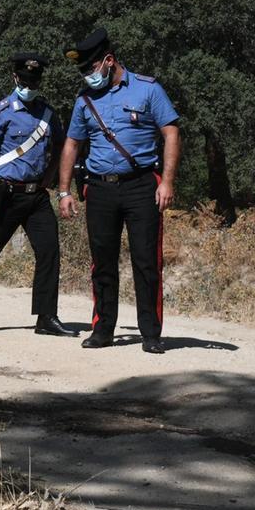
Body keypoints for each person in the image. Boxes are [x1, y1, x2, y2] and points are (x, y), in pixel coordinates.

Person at [57, 28, 180, 354]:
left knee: (146, 261)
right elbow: (72, 144)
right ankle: (102, 329)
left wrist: (167, 182)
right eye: (83, 71)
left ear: (109, 61)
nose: (87, 75)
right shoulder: (84, 100)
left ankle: (151, 334)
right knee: (102, 262)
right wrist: (64, 191)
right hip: (99, 188)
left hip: (142, 186)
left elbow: (171, 133)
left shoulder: (148, 89)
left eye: (91, 68)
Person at [0, 53, 79, 339]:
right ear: (15, 78)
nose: (29, 86)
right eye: (25, 80)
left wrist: (50, 176)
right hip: (5, 195)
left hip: (36, 196)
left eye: (34, 81)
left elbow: (60, 147)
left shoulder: (48, 114)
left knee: (49, 251)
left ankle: (46, 317)